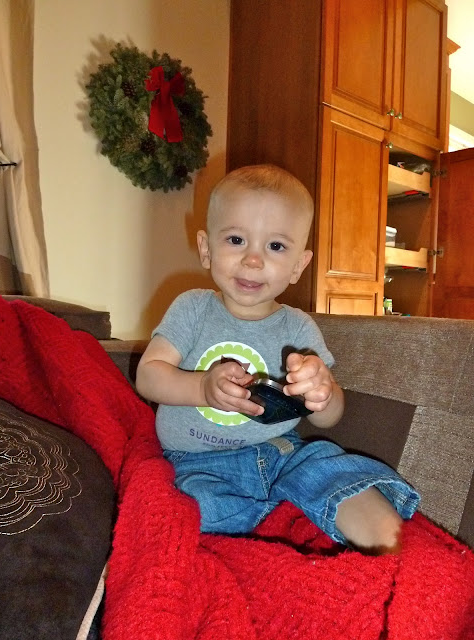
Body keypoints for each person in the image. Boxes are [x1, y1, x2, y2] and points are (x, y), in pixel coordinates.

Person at [136, 164, 420, 554]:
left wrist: (322, 393)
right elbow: (148, 376)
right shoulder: (193, 309)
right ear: (206, 248)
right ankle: (270, 536)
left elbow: (327, 418)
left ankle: (392, 550)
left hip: (280, 454)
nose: (253, 260)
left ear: (298, 265)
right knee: (187, 506)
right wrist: (201, 387)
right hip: (196, 463)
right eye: (236, 239)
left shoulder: (298, 329)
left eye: (275, 247)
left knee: (327, 465)